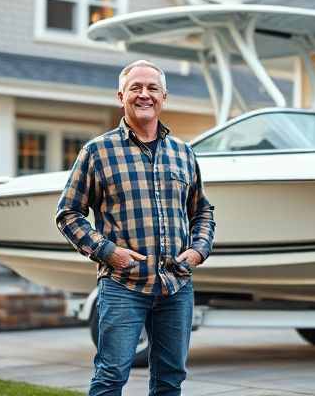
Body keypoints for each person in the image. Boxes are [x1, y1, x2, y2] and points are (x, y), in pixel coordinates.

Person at [55, 60, 215, 396]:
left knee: (171, 379)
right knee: (111, 376)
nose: (145, 95)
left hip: (176, 286)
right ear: (121, 96)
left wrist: (198, 252)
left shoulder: (184, 153)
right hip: (123, 286)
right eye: (136, 88)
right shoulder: (97, 152)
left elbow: (202, 211)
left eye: (152, 88)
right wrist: (108, 253)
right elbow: (68, 213)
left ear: (164, 97)